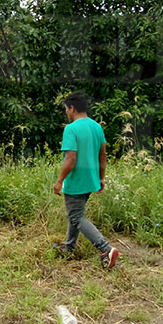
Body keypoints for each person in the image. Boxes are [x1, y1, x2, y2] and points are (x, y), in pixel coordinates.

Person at [52, 91, 120, 269]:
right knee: (76, 214)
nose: (66, 112)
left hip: (77, 180)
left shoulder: (71, 129)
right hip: (90, 180)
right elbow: (102, 155)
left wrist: (59, 180)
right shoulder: (97, 127)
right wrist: (101, 178)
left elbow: (71, 158)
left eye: (66, 109)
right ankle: (69, 247)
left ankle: (105, 249)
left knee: (76, 217)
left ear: (72, 108)